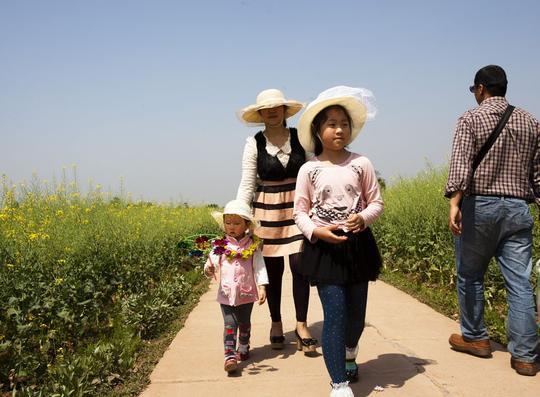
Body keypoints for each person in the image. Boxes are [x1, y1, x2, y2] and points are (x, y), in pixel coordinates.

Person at [445, 65, 539, 376]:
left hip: (480, 206)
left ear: (482, 88)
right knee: (520, 283)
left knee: (470, 275)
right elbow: (537, 176)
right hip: (517, 209)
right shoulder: (530, 121)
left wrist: (455, 204)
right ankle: (525, 355)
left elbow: (461, 165)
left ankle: (475, 338)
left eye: (474, 90)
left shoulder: (470, 118)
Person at [293, 86, 383, 396]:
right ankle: (339, 384)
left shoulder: (362, 164)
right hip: (324, 249)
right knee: (335, 314)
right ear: (318, 130)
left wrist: (364, 218)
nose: (339, 129)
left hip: (358, 248)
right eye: (331, 124)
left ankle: (350, 352)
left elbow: (376, 203)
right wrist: (316, 232)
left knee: (356, 317)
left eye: (344, 123)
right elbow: (300, 213)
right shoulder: (309, 169)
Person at [236, 88, 317, 352]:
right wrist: (239, 215)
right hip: (267, 212)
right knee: (273, 270)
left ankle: (302, 324)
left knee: (300, 266)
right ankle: (276, 322)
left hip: (297, 209)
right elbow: (248, 183)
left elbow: (313, 172)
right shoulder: (254, 143)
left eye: (276, 107)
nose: (271, 111)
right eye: (266, 109)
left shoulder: (300, 137)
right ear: (260, 114)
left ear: (284, 111)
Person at [204, 199, 268, 374]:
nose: (231, 226)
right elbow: (213, 263)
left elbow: (259, 266)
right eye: (228, 222)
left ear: (247, 225)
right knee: (230, 324)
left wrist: (262, 286)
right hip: (226, 293)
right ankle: (229, 356)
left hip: (246, 293)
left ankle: (244, 345)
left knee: (244, 322)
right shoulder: (220, 245)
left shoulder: (253, 245)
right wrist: (209, 269)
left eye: (236, 223)